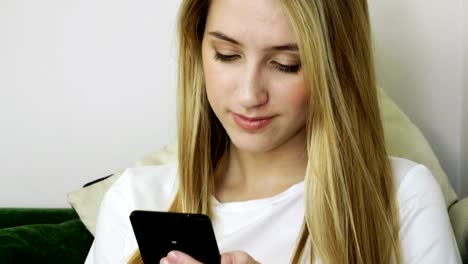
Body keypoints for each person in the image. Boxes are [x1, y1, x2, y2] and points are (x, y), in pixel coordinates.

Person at [85, 0, 462, 263]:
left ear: (335, 69)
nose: (250, 95)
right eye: (227, 55)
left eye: (286, 65)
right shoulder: (134, 198)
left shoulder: (400, 197)